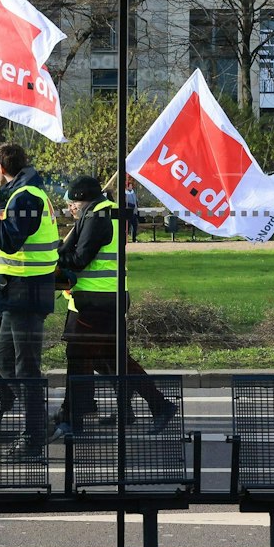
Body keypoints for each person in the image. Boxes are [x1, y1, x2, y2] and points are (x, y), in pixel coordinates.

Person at [51, 175, 175, 438]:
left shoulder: (97, 218)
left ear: (81, 199)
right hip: (99, 300)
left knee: (80, 359)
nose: (71, 208)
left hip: (97, 302)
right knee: (112, 360)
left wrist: (56, 253)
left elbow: (80, 259)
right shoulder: (100, 214)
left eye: (72, 203)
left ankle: (74, 419)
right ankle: (152, 406)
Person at [0, 142, 57, 461]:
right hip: (19, 294)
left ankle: (33, 438)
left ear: (0, 168)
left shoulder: (28, 196)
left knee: (26, 368)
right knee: (5, 362)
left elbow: (8, 237)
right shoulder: (27, 193)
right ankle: (40, 423)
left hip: (26, 293)